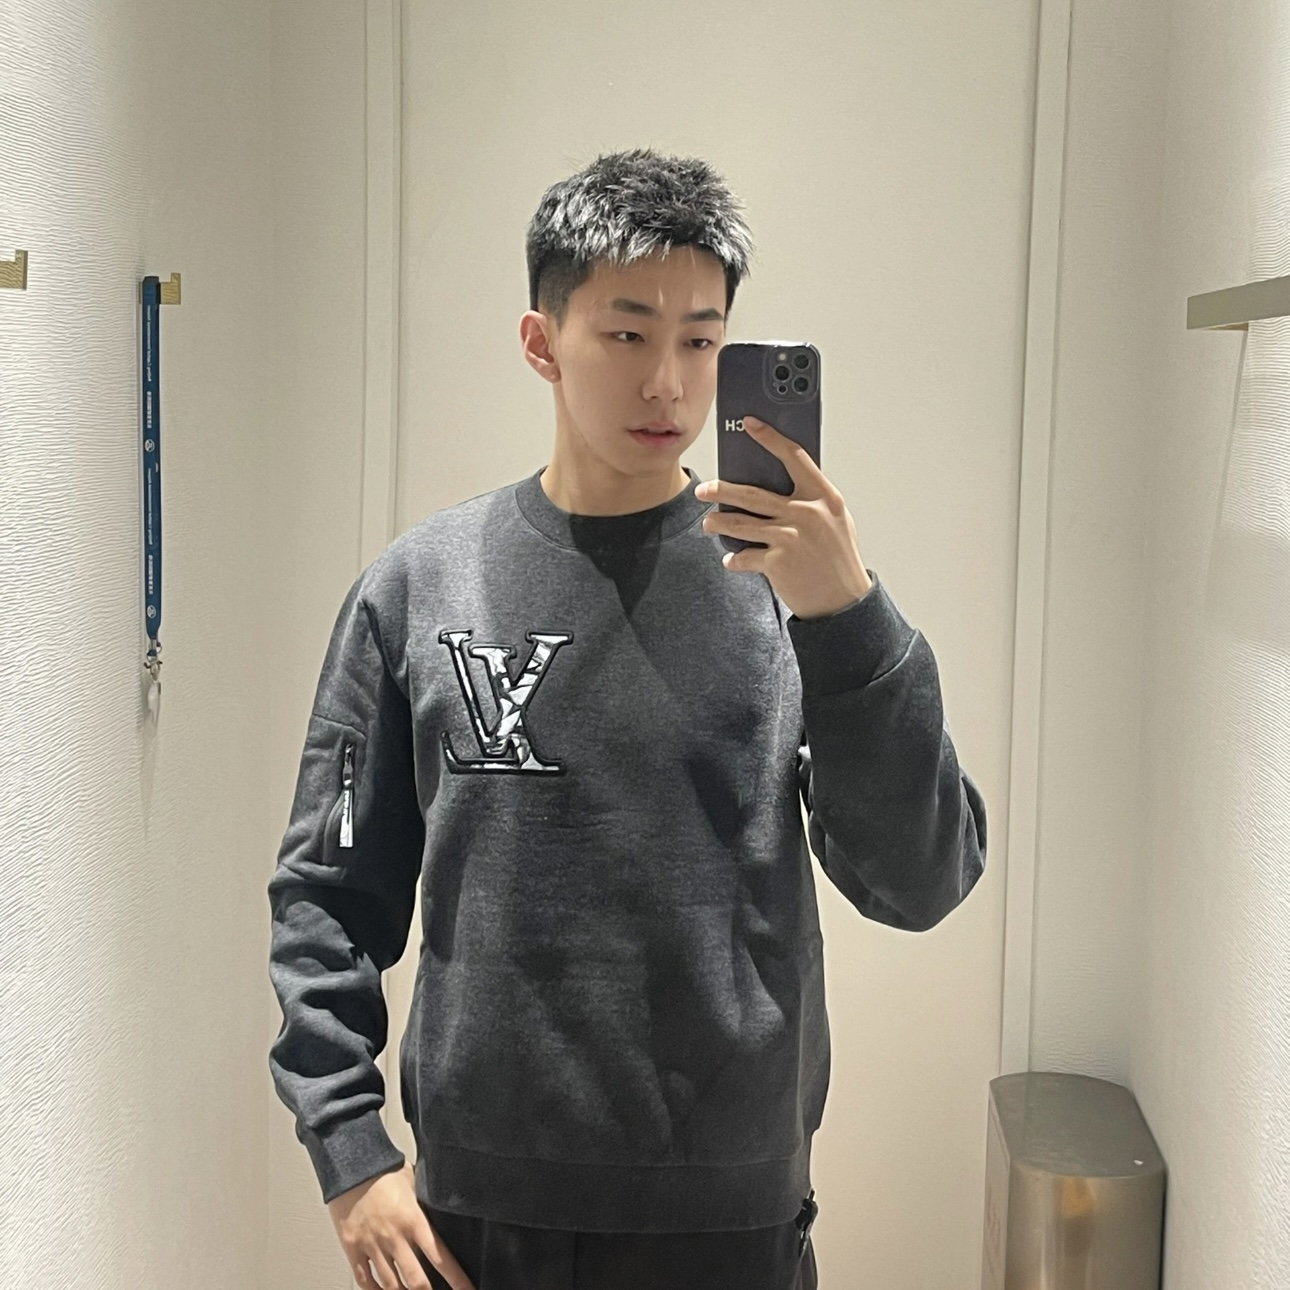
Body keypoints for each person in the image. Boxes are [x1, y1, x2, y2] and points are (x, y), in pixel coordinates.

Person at [267, 147, 987, 1290]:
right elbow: (327, 897)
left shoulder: (790, 592)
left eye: (701, 342)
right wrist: (349, 1153)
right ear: (541, 342)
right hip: (478, 1227)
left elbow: (922, 879)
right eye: (628, 334)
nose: (668, 384)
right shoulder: (421, 587)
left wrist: (849, 618)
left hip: (733, 1227)